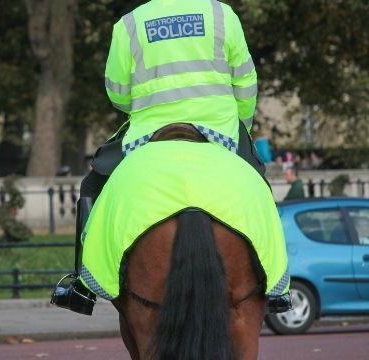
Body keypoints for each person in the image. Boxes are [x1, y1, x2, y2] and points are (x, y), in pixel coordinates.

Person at [53, 0, 265, 314]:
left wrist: (149, 104)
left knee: (92, 186)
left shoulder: (129, 24)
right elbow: (246, 82)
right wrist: (241, 127)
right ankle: (276, 284)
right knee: (259, 186)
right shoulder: (222, 14)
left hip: (147, 135)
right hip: (221, 131)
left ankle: (83, 285)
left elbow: (117, 92)